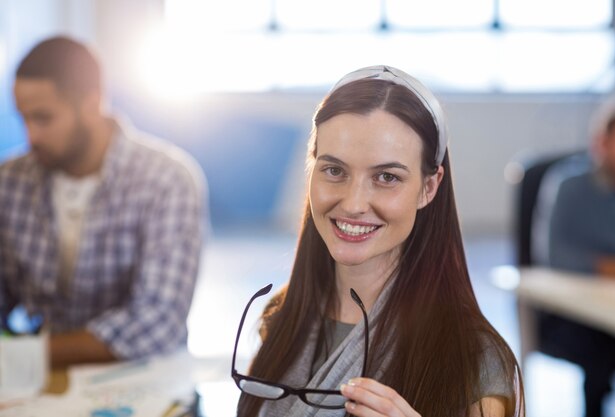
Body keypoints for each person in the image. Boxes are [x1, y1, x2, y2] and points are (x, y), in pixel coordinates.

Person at [233, 66, 524, 417]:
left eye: (386, 177)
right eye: (334, 171)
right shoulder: (280, 318)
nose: (354, 204)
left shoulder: (473, 359)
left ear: (429, 187)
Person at [0, 36, 206, 367]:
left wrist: (28, 354)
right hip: (40, 382)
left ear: (91, 103)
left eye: (43, 118)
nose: (31, 136)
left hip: (146, 379)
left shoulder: (167, 179)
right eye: (23, 119)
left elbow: (159, 320)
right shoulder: (9, 181)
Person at [539, 103, 615, 417]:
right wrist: (613, 267)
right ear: (601, 143)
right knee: (601, 347)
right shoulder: (571, 188)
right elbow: (556, 256)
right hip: (574, 315)